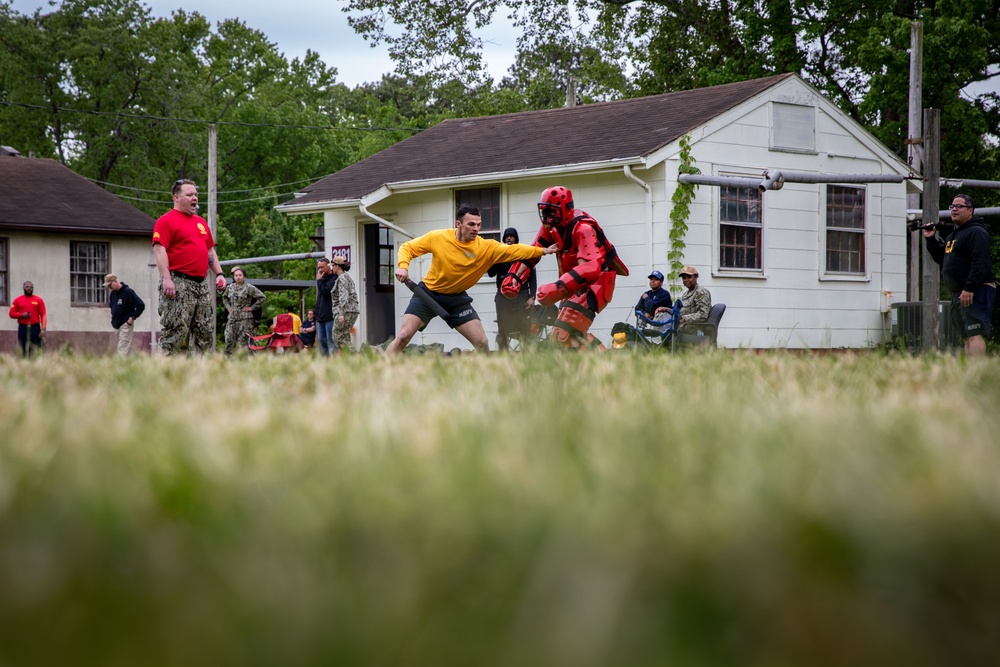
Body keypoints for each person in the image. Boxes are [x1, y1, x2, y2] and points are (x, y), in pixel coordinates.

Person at [386, 204, 557, 354]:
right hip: (428, 295)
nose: (476, 228)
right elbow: (408, 248)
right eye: (471, 224)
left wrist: (542, 251)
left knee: (482, 342)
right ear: (458, 224)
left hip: (456, 299)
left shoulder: (485, 247)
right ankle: (381, 369)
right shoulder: (438, 238)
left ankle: (491, 376)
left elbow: (514, 251)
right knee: (403, 336)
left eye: (478, 224)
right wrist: (403, 266)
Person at [503, 186, 629, 349]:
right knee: (564, 337)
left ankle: (603, 364)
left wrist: (557, 288)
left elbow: (591, 268)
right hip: (572, 284)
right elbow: (535, 251)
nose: (547, 217)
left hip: (596, 283)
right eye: (544, 212)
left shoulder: (583, 228)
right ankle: (601, 364)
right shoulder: (551, 228)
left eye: (551, 212)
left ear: (565, 210)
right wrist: (515, 277)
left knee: (565, 334)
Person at [152, 179, 227, 355]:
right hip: (178, 282)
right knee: (176, 332)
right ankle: (164, 374)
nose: (195, 198)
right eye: (190, 194)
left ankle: (199, 376)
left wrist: (219, 274)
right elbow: (159, 250)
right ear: (177, 197)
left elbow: (210, 251)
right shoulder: (166, 221)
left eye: (196, 195)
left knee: (204, 332)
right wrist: (167, 279)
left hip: (201, 285)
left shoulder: (201, 223)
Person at [924, 194, 997, 356]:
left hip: (975, 290)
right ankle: (969, 374)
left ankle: (977, 374)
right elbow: (942, 258)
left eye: (959, 206)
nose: (954, 209)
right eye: (952, 206)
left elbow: (980, 263)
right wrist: (930, 240)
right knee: (966, 337)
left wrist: (969, 288)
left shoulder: (976, 232)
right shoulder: (954, 235)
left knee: (974, 334)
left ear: (970, 210)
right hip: (960, 293)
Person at [488, 227, 537, 350]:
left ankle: (527, 351)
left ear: (516, 238)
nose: (509, 238)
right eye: (507, 236)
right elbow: (490, 273)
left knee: (524, 324)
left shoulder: (524, 255)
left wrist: (532, 297)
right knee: (503, 324)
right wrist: (493, 258)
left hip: (522, 294)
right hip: (503, 295)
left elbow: (532, 278)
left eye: (512, 236)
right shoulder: (500, 255)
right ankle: (503, 352)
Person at [222, 266, 266, 355]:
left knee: (243, 342)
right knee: (228, 339)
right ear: (233, 277)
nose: (238, 277)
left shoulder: (249, 287)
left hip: (245, 319)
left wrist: (251, 308)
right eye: (236, 275)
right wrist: (228, 307)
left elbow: (262, 297)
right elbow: (224, 297)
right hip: (232, 318)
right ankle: (228, 362)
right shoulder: (230, 287)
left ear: (244, 276)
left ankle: (246, 361)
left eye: (240, 275)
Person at [104, 274, 146, 357]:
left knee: (122, 348)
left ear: (115, 281)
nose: (109, 287)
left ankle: (117, 367)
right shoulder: (112, 294)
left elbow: (141, 305)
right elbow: (112, 308)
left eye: (110, 284)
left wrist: (132, 317)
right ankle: (137, 361)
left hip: (125, 324)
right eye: (107, 285)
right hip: (116, 325)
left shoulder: (128, 292)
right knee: (125, 347)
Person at [8, 280, 47, 358]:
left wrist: (43, 329)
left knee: (36, 349)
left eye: (31, 287)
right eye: (27, 287)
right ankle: (24, 365)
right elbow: (11, 313)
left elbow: (43, 314)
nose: (29, 288)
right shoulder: (18, 300)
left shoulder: (38, 300)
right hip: (23, 327)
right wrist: (22, 315)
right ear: (23, 288)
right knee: (23, 348)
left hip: (35, 328)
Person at [330, 255, 360, 353]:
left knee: (337, 336)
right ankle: (350, 360)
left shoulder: (342, 278)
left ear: (337, 266)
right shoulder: (347, 277)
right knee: (344, 336)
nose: (332, 267)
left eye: (333, 265)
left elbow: (343, 296)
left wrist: (341, 313)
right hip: (352, 310)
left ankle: (355, 356)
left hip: (346, 311)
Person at [315, 257, 338, 356]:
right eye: (319, 267)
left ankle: (334, 361)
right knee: (321, 340)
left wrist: (319, 281)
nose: (320, 270)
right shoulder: (322, 279)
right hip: (321, 316)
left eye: (322, 267)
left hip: (330, 315)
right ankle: (325, 361)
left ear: (328, 266)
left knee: (331, 340)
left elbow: (326, 291)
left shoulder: (334, 278)